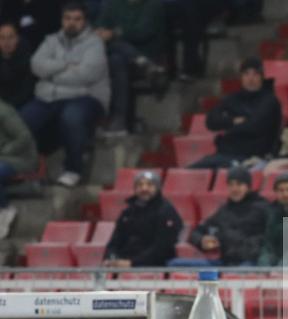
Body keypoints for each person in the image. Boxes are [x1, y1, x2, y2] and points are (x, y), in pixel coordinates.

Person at [21, 1, 109, 187]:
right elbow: (36, 65)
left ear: (85, 21)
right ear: (62, 20)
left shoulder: (94, 43)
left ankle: (74, 169)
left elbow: (87, 74)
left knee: (71, 116)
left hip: (86, 97)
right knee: (23, 120)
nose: (71, 23)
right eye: (67, 18)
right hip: (50, 97)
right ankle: (29, 170)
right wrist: (65, 66)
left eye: (77, 19)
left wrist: (51, 74)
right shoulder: (50, 40)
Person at [191, 57, 282, 170]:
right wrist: (233, 120)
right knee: (188, 173)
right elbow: (211, 120)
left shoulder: (269, 101)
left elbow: (254, 126)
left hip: (253, 156)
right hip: (225, 153)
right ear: (241, 77)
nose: (251, 78)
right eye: (246, 74)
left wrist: (230, 125)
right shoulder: (234, 98)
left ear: (261, 77)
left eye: (255, 74)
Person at [95, 0, 167, 136]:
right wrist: (105, 33)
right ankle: (142, 62)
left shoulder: (153, 5)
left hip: (148, 55)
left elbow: (142, 32)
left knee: (115, 56)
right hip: (127, 64)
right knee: (115, 58)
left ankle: (119, 121)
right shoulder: (113, 5)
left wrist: (114, 33)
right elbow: (100, 28)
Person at [182, 166, 269, 266]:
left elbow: (271, 238)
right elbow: (197, 232)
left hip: (251, 261)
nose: (234, 189)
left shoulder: (263, 208)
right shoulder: (224, 210)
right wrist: (202, 240)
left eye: (239, 184)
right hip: (226, 262)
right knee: (176, 265)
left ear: (248, 187)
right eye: (231, 185)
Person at [103, 170, 183, 267]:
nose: (144, 188)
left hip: (154, 267)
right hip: (125, 263)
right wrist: (111, 258)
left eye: (149, 185)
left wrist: (133, 263)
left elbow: (162, 247)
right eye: (140, 185)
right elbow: (114, 241)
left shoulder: (166, 211)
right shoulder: (128, 212)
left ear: (157, 188)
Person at [0, 98, 38, 239]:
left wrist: (4, 151)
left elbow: (24, 136)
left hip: (19, 159)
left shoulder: (3, 111)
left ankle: (4, 209)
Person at [0, 22, 35, 109]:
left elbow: (27, 90)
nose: (6, 42)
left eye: (10, 37)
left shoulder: (27, 60)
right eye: (2, 37)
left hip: (19, 106)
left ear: (17, 39)